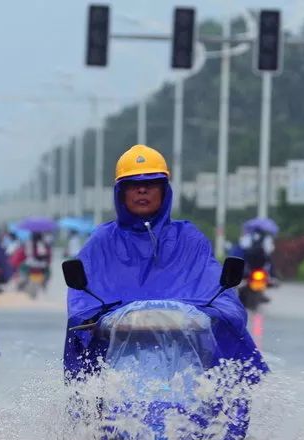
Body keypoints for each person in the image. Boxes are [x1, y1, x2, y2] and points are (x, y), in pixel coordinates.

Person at [64, 144, 267, 381]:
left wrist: (221, 312)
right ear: (121, 192)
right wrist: (90, 318)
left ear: (164, 190)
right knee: (88, 390)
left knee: (225, 391)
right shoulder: (101, 242)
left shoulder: (190, 239)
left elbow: (217, 292)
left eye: (150, 183)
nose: (142, 191)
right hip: (116, 364)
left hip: (186, 361)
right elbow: (82, 300)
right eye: (133, 185)